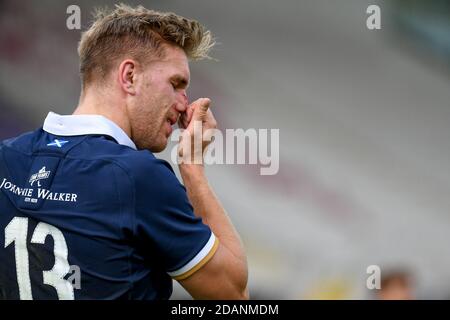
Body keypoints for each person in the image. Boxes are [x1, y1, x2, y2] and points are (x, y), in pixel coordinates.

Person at [0, 4, 248, 300]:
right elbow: (231, 295)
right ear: (129, 76)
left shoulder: (8, 157)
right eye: (176, 84)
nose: (184, 104)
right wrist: (192, 168)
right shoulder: (137, 177)